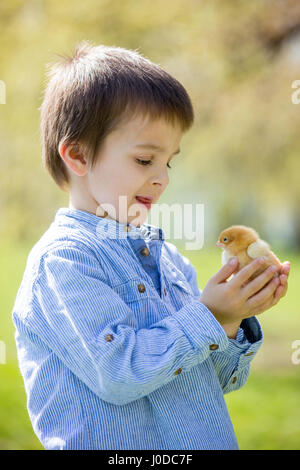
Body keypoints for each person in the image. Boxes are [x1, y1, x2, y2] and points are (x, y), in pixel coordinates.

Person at [11, 41, 290, 450]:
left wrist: (231, 317)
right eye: (145, 160)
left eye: (169, 162)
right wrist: (208, 314)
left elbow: (212, 379)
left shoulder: (169, 260)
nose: (162, 178)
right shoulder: (63, 263)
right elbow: (120, 373)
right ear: (78, 156)